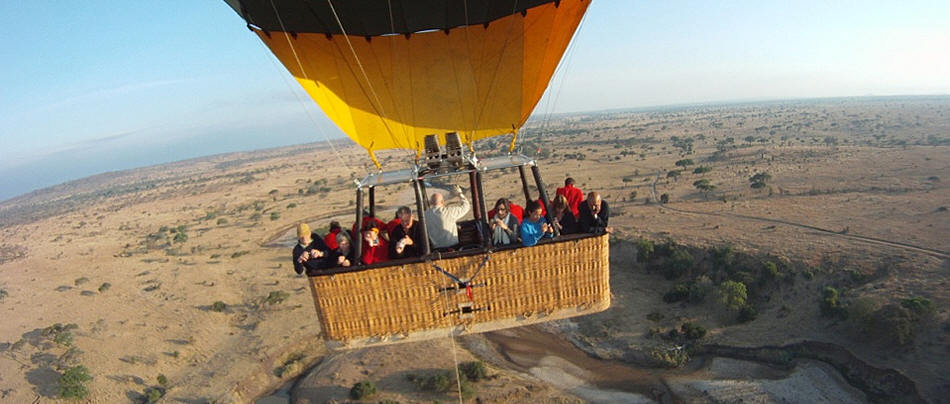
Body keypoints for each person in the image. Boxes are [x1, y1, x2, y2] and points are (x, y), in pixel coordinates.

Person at [424, 185, 471, 249]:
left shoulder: (425, 215)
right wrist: (460, 194)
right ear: (443, 201)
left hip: (436, 250)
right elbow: (466, 206)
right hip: (454, 248)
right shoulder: (449, 212)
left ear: (431, 202)